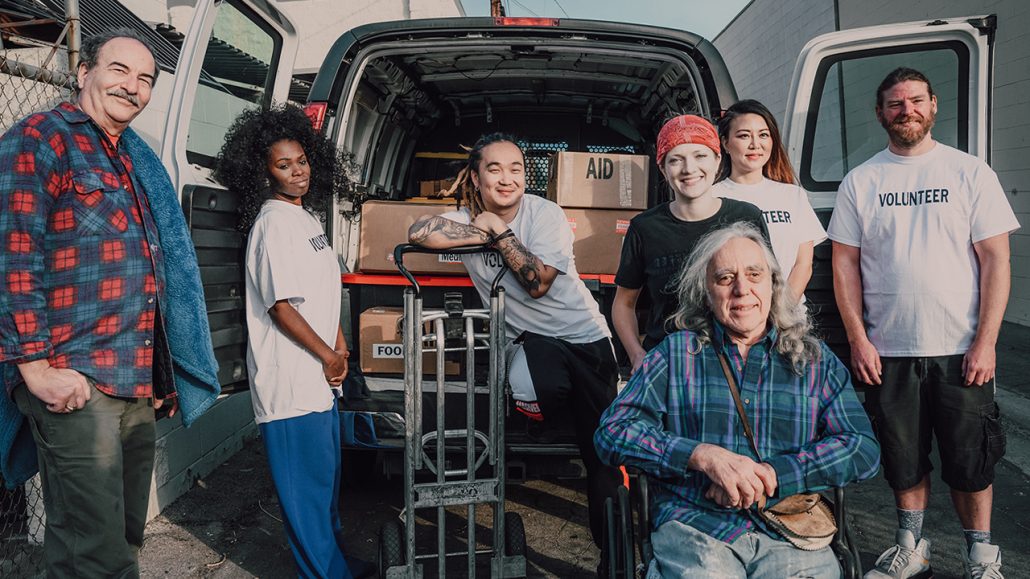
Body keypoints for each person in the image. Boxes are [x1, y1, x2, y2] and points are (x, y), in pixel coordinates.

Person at [0, 27, 221, 577]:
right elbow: (11, 256)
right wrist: (35, 369)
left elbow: (152, 267)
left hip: (132, 380)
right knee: (95, 553)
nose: (133, 86)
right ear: (84, 73)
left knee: (117, 536)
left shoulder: (128, 157)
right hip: (75, 379)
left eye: (145, 79)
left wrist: (161, 373)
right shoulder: (41, 137)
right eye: (119, 70)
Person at [595, 222, 880, 578]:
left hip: (790, 528)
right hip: (695, 526)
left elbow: (861, 448)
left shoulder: (814, 361)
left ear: (773, 285)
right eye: (725, 278)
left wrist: (776, 474)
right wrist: (701, 456)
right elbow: (613, 432)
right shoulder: (674, 354)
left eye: (754, 275)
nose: (742, 289)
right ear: (706, 292)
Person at [828, 67, 1019, 579]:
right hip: (888, 350)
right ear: (880, 114)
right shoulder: (861, 180)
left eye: (915, 100)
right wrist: (858, 339)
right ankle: (911, 548)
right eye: (895, 103)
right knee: (902, 458)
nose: (905, 110)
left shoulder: (969, 173)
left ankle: (982, 556)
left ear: (933, 106)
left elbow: (996, 261)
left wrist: (986, 342)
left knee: (970, 459)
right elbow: (843, 263)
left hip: (961, 349)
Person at [407, 133, 622, 550]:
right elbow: (420, 232)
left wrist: (498, 230)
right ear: (475, 175)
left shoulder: (546, 215)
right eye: (494, 169)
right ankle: (545, 410)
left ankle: (613, 557)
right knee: (536, 376)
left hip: (585, 342)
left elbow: (536, 283)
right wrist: (483, 229)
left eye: (516, 169)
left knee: (603, 457)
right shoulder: (467, 216)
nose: (507, 179)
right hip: (532, 345)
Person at [214, 105, 371, 579]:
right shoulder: (272, 224)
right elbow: (281, 306)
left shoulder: (305, 218)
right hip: (290, 382)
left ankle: (338, 562)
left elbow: (323, 292)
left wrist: (340, 346)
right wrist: (328, 356)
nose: (297, 170)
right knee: (304, 494)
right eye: (284, 164)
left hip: (319, 377)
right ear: (262, 171)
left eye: (301, 160)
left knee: (324, 485)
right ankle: (324, 573)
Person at [612, 114, 767, 374]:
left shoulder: (747, 217)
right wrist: (636, 354)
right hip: (668, 365)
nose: (689, 169)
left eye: (700, 155)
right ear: (662, 168)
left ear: (718, 160)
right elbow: (623, 303)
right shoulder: (644, 228)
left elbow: (768, 288)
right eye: (675, 160)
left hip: (739, 360)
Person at [712, 99, 826, 300]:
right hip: (737, 315)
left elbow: (803, 264)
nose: (755, 144)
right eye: (744, 136)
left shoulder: (793, 196)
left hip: (789, 320)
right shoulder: (712, 197)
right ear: (725, 143)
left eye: (763, 135)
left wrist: (782, 311)